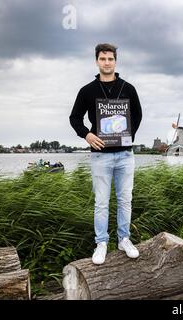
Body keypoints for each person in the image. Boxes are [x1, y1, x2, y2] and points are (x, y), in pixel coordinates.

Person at [69, 43, 143, 265]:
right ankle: (101, 242)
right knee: (101, 202)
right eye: (103, 59)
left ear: (115, 61)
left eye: (110, 59)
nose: (107, 62)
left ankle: (124, 239)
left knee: (125, 200)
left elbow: (137, 115)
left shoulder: (128, 88)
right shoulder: (87, 90)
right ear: (97, 61)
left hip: (125, 155)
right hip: (100, 155)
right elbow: (74, 117)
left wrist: (127, 136)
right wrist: (87, 135)